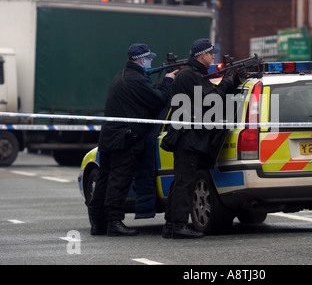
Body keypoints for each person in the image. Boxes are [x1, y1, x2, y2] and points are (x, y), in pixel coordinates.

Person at [87, 43, 178, 236]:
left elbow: (147, 96)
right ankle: (114, 222)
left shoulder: (122, 76)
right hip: (124, 140)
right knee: (118, 181)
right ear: (142, 60)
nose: (150, 62)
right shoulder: (136, 79)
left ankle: (98, 223)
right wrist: (169, 81)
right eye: (149, 59)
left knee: (104, 180)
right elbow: (159, 99)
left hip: (110, 138)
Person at [162, 38, 240, 239]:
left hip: (189, 136)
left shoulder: (194, 74)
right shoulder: (190, 75)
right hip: (188, 137)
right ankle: (178, 225)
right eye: (211, 54)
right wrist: (226, 82)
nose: (213, 57)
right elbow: (211, 99)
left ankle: (171, 225)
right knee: (184, 183)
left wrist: (227, 83)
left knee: (180, 181)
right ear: (202, 55)